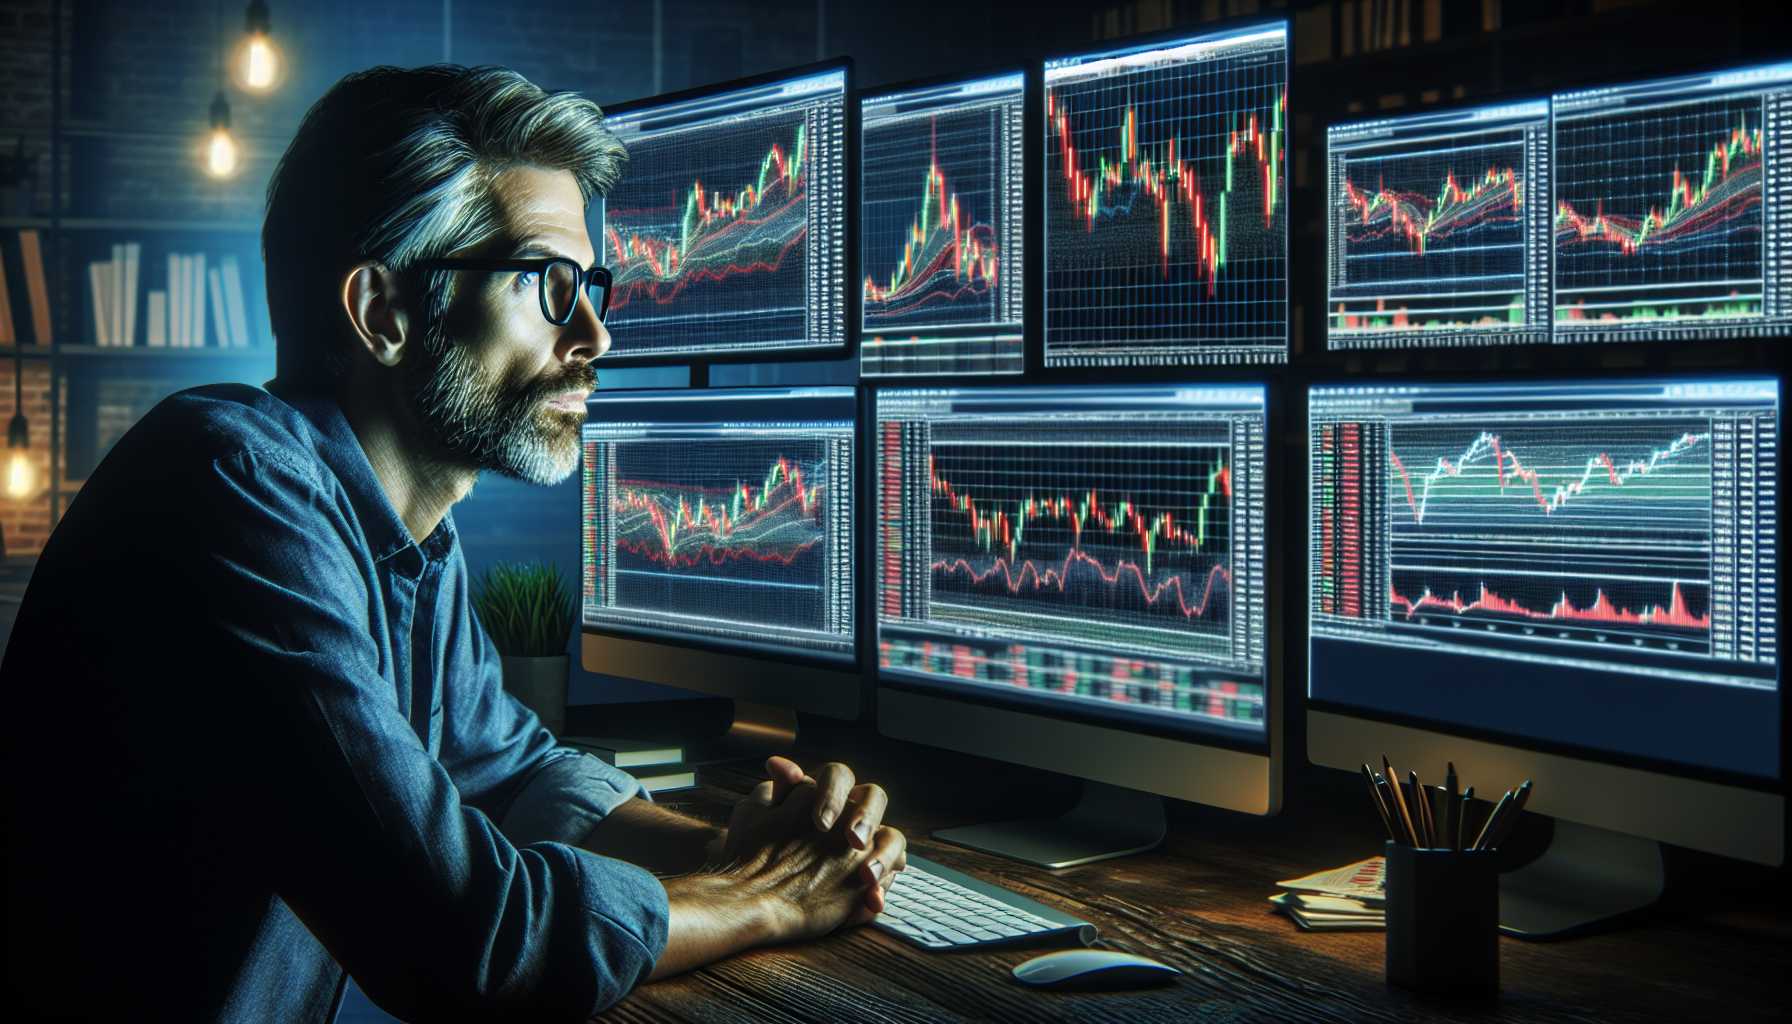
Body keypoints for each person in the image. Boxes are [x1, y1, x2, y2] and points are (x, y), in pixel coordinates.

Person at [0, 64, 904, 1022]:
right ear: (384, 311)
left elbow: (512, 774)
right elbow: (470, 942)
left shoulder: (408, 539)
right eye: (549, 284)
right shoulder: (230, 485)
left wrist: (737, 848)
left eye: (590, 285)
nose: (595, 332)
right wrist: (765, 896)